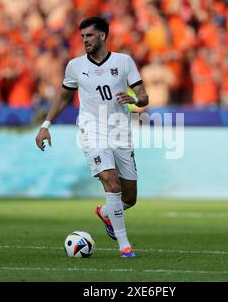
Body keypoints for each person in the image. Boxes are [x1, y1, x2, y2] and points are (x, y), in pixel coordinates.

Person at [35, 17, 149, 258]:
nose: (85, 40)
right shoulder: (75, 66)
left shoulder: (124, 61)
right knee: (111, 182)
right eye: (83, 36)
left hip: (120, 130)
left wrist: (135, 100)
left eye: (89, 35)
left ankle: (106, 213)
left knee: (130, 197)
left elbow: (143, 96)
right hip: (92, 129)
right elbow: (64, 96)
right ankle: (124, 246)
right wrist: (46, 124)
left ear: (103, 36)